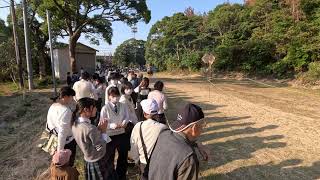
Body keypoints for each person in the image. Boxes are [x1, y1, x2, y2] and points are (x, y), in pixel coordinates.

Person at [148, 103, 208, 180]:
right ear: (194, 128)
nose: (203, 129)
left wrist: (197, 145)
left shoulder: (163, 134)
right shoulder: (188, 158)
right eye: (202, 125)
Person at [72, 98, 115, 180]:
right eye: (94, 107)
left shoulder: (75, 124)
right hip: (98, 160)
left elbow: (87, 139)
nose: (96, 109)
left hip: (88, 159)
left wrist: (98, 129)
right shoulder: (90, 128)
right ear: (86, 109)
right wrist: (103, 132)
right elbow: (100, 148)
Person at [130, 99, 167, 179]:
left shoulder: (138, 126)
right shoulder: (163, 128)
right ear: (157, 113)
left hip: (143, 162)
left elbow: (133, 147)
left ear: (144, 113)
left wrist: (137, 160)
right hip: (159, 163)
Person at [100, 87, 130, 180]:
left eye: (117, 96)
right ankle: (110, 176)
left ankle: (121, 176)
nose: (115, 98)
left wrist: (124, 123)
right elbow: (101, 124)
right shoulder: (105, 108)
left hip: (121, 133)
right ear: (109, 97)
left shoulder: (123, 105)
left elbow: (126, 116)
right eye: (113, 96)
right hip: (110, 135)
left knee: (123, 156)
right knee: (110, 157)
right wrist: (112, 125)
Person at [47, 86, 77, 166]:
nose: (72, 99)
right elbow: (62, 133)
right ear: (66, 97)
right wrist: (60, 151)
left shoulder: (53, 106)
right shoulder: (65, 111)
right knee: (67, 166)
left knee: (57, 165)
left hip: (54, 140)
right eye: (71, 97)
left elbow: (49, 124)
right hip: (66, 143)